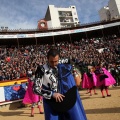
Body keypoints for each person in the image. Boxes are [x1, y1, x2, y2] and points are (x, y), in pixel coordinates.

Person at [33, 48, 87, 120]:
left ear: (59, 58)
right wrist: (52, 94)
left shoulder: (64, 64)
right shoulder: (41, 70)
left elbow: (73, 65)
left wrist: (75, 74)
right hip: (52, 103)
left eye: (56, 61)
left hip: (68, 98)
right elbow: (35, 89)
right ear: (47, 59)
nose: (54, 64)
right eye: (51, 61)